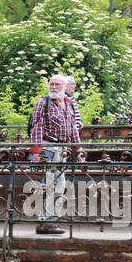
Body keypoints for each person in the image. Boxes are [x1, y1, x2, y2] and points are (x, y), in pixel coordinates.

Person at [27, 73, 85, 236]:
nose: (53, 87)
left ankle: (46, 221)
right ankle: (48, 222)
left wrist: (78, 149)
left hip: (63, 149)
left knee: (56, 183)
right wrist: (36, 152)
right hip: (49, 147)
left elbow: (73, 128)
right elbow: (37, 128)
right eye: (51, 84)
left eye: (57, 85)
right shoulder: (43, 103)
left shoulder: (69, 103)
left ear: (65, 87)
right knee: (55, 183)